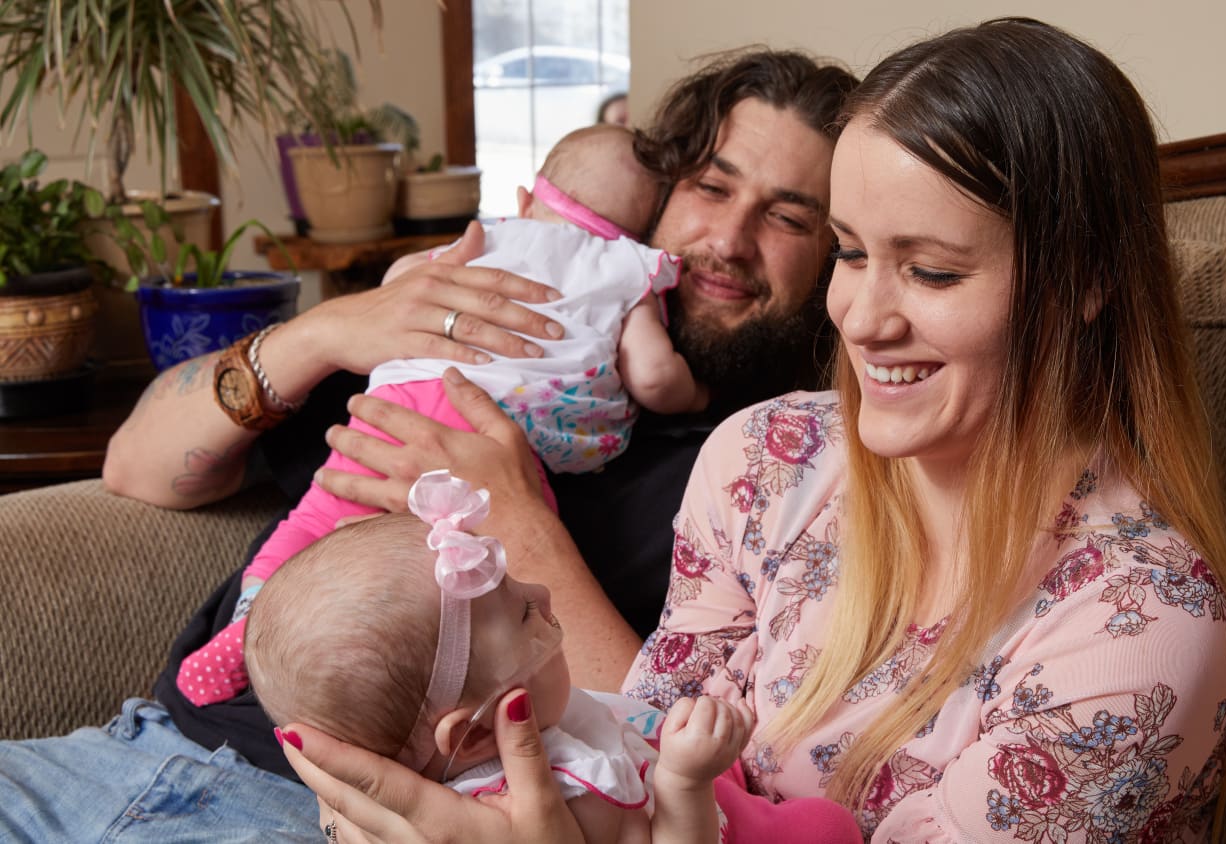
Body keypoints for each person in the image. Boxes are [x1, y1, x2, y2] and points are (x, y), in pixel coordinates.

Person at [285, 17, 1226, 843]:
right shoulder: (767, 459)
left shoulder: (1138, 629)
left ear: (1085, 282)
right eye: (849, 252)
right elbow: (642, 745)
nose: (864, 317)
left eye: (931, 271)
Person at [0, 49, 857, 842]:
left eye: (788, 215)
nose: (729, 240)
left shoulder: (779, 463)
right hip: (129, 747)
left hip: (339, 815)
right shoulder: (489, 309)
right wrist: (324, 333)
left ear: (834, 256)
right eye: (712, 186)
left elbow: (682, 746)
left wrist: (516, 515)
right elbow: (137, 467)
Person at [178, 123, 707, 708]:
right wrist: (696, 397)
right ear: (645, 230)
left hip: (402, 400)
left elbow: (401, 280)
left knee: (313, 522)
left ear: (527, 199)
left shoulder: (484, 239)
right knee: (468, 573)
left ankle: (250, 625)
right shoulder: (630, 270)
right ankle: (338, 662)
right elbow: (655, 376)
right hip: (498, 442)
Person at [246, 471, 756, 844]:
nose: (544, 592)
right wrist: (684, 782)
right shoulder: (574, 801)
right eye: (525, 613)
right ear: (483, 732)